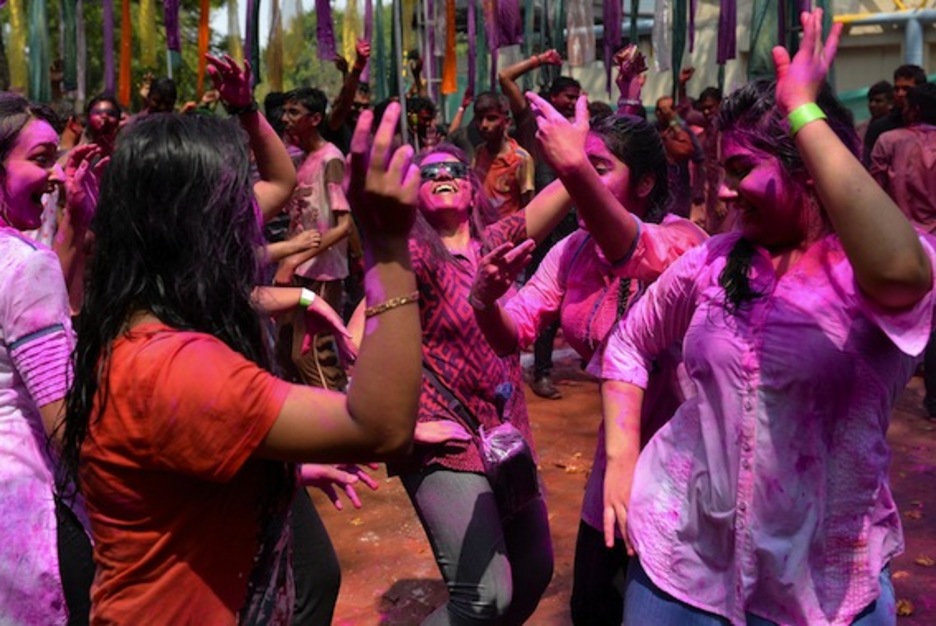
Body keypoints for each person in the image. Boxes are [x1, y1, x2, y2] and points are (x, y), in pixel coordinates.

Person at [598, 10, 934, 625]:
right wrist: (621, 460)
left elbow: (902, 275)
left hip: (827, 589)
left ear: (808, 168)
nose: (722, 192)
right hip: (680, 568)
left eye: (740, 171)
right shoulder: (711, 261)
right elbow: (628, 343)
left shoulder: (867, 268)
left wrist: (803, 111)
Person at [59, 67, 423, 620]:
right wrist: (389, 248)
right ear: (193, 223)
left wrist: (287, 467)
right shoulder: (180, 367)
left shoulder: (140, 326)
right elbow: (380, 427)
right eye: (237, 196)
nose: (255, 216)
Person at [470, 87, 707, 624]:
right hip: (616, 457)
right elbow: (514, 333)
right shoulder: (571, 251)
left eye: (598, 168)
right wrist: (486, 299)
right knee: (594, 606)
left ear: (645, 183)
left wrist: (572, 166)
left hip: (694, 464)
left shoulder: (683, 242)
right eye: (580, 167)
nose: (579, 181)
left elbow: (634, 250)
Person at [353, 140, 579, 624]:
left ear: (472, 187)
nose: (442, 176)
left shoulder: (495, 241)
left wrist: (579, 152)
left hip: (504, 435)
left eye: (453, 168)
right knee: (483, 597)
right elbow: (355, 339)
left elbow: (569, 187)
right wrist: (407, 425)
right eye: (428, 173)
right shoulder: (413, 255)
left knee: (534, 570)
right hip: (446, 439)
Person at [0, 92, 102, 625]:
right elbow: (65, 427)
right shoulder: (23, 264)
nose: (59, 176)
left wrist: (71, 226)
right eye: (42, 160)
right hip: (29, 514)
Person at [500, 50, 583, 399]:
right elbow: (505, 77)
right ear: (553, 97)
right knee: (546, 300)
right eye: (568, 97)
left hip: (574, 227)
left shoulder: (577, 130)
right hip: (544, 230)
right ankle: (542, 371)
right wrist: (538, 61)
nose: (572, 103)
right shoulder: (533, 125)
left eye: (577, 99)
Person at [277, 87, 352, 391]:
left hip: (322, 271)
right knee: (285, 352)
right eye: (285, 112)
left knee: (311, 356)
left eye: (293, 113)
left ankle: (337, 425)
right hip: (297, 270)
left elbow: (344, 225)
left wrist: (296, 257)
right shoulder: (301, 159)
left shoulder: (330, 159)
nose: (285, 119)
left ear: (315, 119)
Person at [870, 82, 936, 421]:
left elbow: (871, 193)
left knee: (891, 323)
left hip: (900, 243)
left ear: (911, 109)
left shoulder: (888, 141)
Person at [471, 91, 535, 219]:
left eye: (491, 118)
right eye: (480, 118)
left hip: (507, 234)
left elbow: (528, 208)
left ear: (507, 122)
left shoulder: (520, 159)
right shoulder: (479, 152)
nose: (484, 125)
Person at [862, 63, 927, 165]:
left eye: (906, 89)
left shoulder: (930, 125)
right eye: (897, 89)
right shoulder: (880, 128)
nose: (900, 94)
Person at [856, 80, 893, 148]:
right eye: (870, 100)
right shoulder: (861, 129)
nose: (872, 105)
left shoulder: (897, 128)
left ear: (891, 103)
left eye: (878, 101)